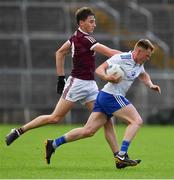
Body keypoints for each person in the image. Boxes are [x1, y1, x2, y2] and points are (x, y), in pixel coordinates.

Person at [5, 7, 136, 169]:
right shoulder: (86, 39)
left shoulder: (75, 37)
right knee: (55, 118)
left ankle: (118, 158)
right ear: (82, 23)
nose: (94, 24)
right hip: (77, 84)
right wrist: (130, 57)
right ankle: (18, 131)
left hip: (90, 86)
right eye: (91, 21)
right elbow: (110, 52)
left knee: (106, 120)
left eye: (94, 21)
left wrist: (60, 77)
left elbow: (60, 53)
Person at [45, 39, 161, 168]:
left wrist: (151, 85)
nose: (148, 58)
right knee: (136, 121)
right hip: (111, 96)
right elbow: (100, 69)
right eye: (147, 55)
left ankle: (53, 144)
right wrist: (107, 77)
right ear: (139, 51)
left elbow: (143, 75)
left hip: (105, 97)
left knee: (88, 131)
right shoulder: (121, 58)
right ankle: (121, 155)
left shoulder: (139, 64)